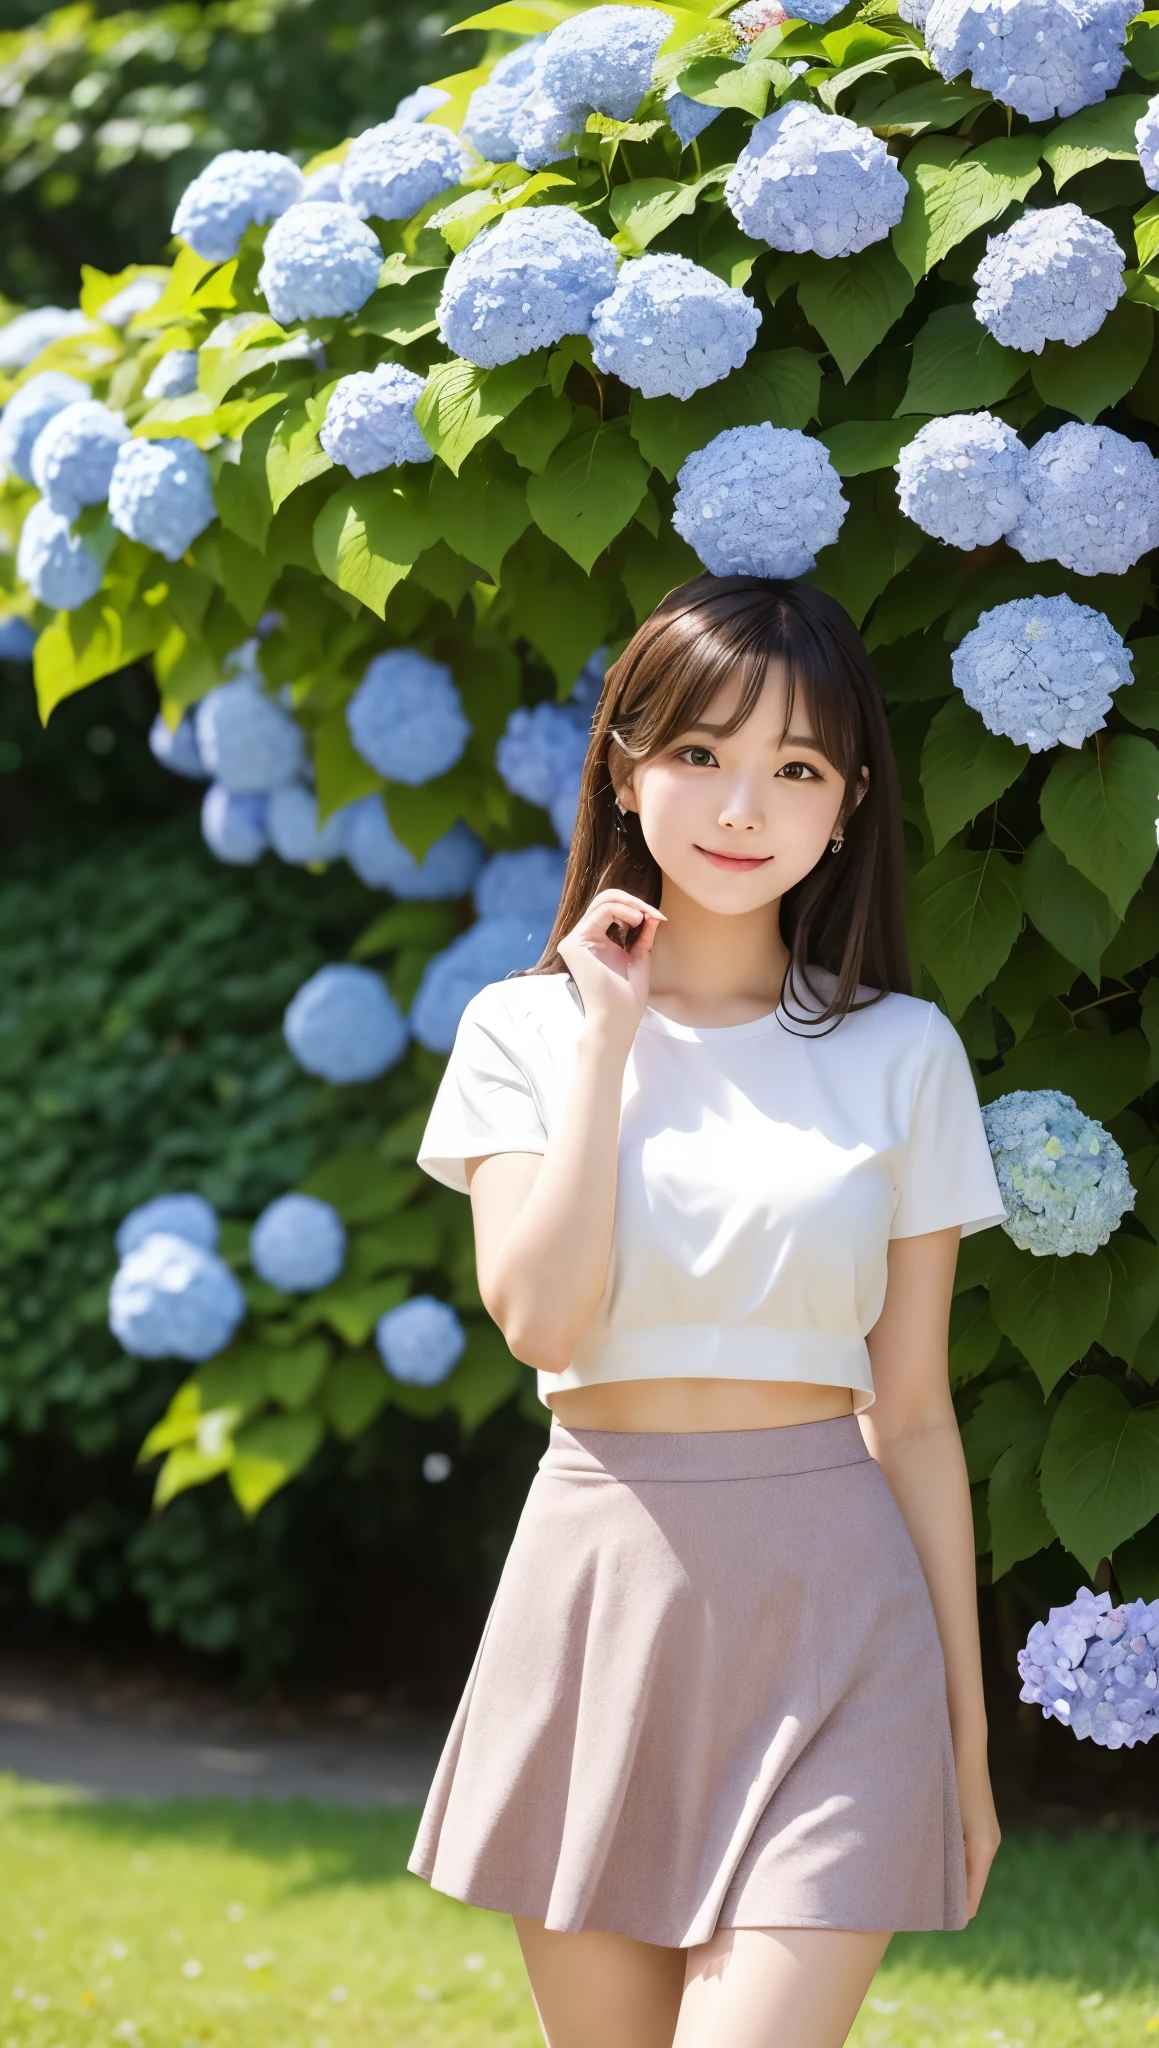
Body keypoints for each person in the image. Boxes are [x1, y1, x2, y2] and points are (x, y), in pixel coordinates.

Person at [410, 574, 1007, 2048]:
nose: (744, 806)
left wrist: (968, 1741)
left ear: (848, 803)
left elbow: (915, 1415)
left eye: (795, 768)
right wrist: (609, 1041)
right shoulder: (523, 1030)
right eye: (699, 755)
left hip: (840, 1610)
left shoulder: (903, 1051)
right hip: (601, 1593)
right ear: (624, 767)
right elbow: (544, 1321)